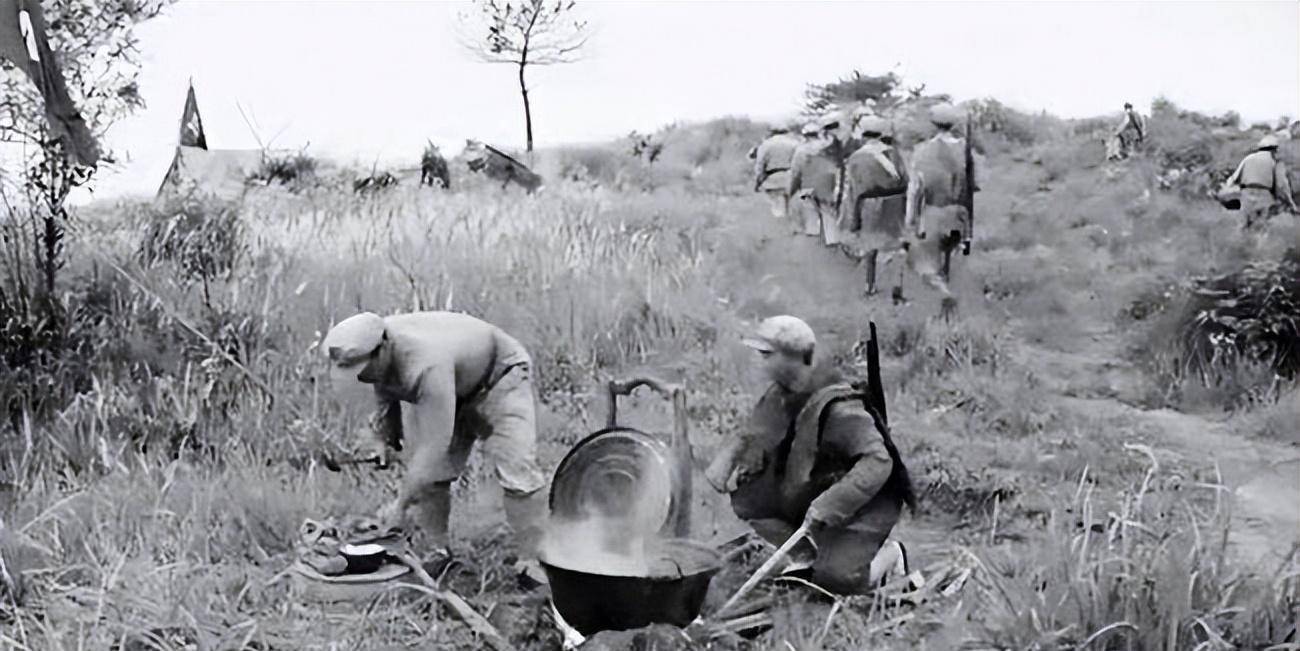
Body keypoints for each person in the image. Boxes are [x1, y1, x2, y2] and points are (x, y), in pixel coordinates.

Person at [322, 310, 550, 586]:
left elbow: (433, 449)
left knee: (516, 471)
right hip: (454, 384)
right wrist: (383, 438)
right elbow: (385, 392)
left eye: (365, 370)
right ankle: (438, 553)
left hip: (499, 377)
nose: (364, 377)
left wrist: (400, 506)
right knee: (432, 479)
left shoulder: (424, 364)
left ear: (382, 351)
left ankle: (535, 563)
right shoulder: (377, 353)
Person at [705, 316, 917, 595]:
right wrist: (725, 464)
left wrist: (829, 506)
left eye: (767, 355)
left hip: (867, 502)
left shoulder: (841, 409)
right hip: (818, 485)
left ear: (794, 358)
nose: (759, 361)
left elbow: (878, 462)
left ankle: (889, 554)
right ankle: (807, 554)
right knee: (750, 498)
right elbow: (754, 431)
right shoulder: (780, 395)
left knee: (836, 581)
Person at [839, 116, 909, 296]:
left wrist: (853, 219)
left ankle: (869, 286)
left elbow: (854, 190)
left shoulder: (856, 158)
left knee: (870, 247)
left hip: (869, 204)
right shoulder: (894, 153)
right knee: (897, 246)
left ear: (863, 134)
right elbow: (905, 180)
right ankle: (898, 288)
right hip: (895, 202)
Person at [1223, 134, 1298, 227]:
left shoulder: (1248, 159)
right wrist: (1291, 203)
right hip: (1264, 196)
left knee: (1243, 226)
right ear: (1274, 149)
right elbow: (1282, 185)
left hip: (1247, 195)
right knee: (1261, 228)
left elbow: (1232, 180)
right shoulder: (1273, 162)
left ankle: (1239, 240)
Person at [752, 127, 801, 222]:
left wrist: (759, 180)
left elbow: (760, 165)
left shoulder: (765, 145)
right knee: (789, 206)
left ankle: (779, 227)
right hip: (790, 178)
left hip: (772, 179)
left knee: (776, 206)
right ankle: (789, 226)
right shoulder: (795, 144)